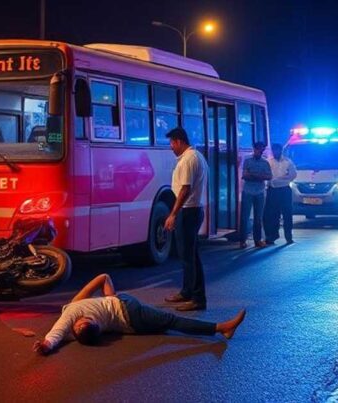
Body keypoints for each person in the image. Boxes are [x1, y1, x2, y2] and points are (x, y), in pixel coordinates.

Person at [32, 274, 246, 355]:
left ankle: (219, 328)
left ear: (75, 326)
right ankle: (220, 328)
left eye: (83, 322)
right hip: (130, 313)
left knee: (167, 322)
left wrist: (47, 345)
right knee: (172, 321)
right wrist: (47, 345)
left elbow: (56, 334)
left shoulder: (72, 313)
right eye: (87, 322)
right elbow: (103, 278)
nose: (84, 320)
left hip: (128, 312)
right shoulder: (75, 313)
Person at [163, 127, 209, 311]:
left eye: (172, 143)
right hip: (192, 210)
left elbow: (185, 189)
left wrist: (173, 214)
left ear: (179, 141)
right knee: (189, 255)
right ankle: (187, 291)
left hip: (188, 212)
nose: (171, 147)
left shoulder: (189, 159)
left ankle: (198, 299)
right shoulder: (196, 156)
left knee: (189, 258)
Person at [239, 142, 272, 248]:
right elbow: (245, 175)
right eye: (258, 149)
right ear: (254, 149)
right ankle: (242, 241)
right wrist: (260, 176)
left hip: (260, 192)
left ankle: (257, 240)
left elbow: (269, 176)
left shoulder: (265, 162)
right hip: (248, 191)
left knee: (258, 218)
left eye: (261, 150)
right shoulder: (247, 160)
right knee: (244, 217)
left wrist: (253, 174)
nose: (260, 151)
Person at [264, 143, 297, 245]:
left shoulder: (288, 162)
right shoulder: (268, 162)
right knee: (273, 214)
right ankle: (273, 236)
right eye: (274, 150)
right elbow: (267, 176)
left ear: (281, 151)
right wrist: (283, 178)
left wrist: (277, 179)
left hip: (285, 190)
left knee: (287, 214)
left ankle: (288, 236)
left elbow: (292, 175)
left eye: (278, 150)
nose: (276, 152)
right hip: (272, 190)